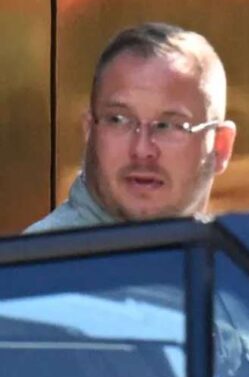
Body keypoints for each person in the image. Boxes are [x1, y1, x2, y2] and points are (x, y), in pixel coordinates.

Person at [26, 22, 236, 233]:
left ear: (221, 147)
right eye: (118, 120)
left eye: (167, 126)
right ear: (89, 132)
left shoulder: (240, 250)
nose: (142, 149)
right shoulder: (44, 252)